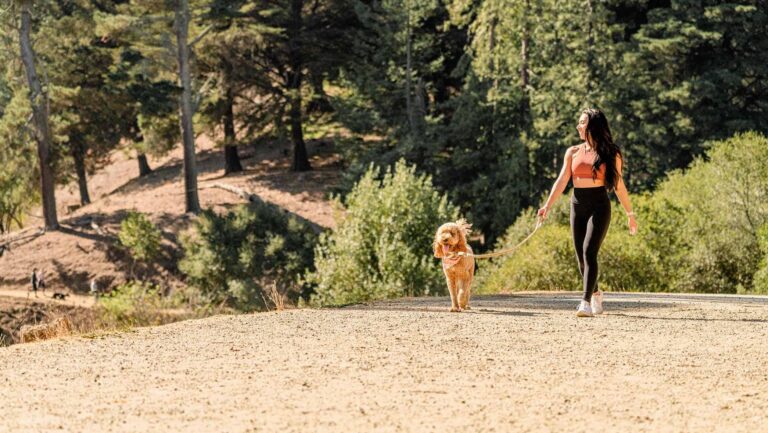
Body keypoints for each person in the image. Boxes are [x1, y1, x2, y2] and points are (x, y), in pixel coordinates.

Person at [537, 108, 638, 317]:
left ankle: (585, 302)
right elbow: (563, 180)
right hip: (577, 203)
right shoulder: (572, 152)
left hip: (599, 205)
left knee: (589, 251)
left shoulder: (611, 153)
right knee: (581, 258)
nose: (578, 126)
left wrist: (630, 215)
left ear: (593, 125)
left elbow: (619, 186)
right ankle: (596, 293)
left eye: (582, 122)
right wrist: (547, 206)